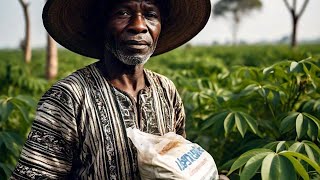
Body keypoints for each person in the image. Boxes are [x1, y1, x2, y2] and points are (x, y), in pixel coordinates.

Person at [11, 0, 211, 179]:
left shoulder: (166, 89)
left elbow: (178, 159)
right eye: (123, 13)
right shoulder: (68, 96)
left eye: (150, 15)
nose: (139, 26)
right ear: (101, 25)